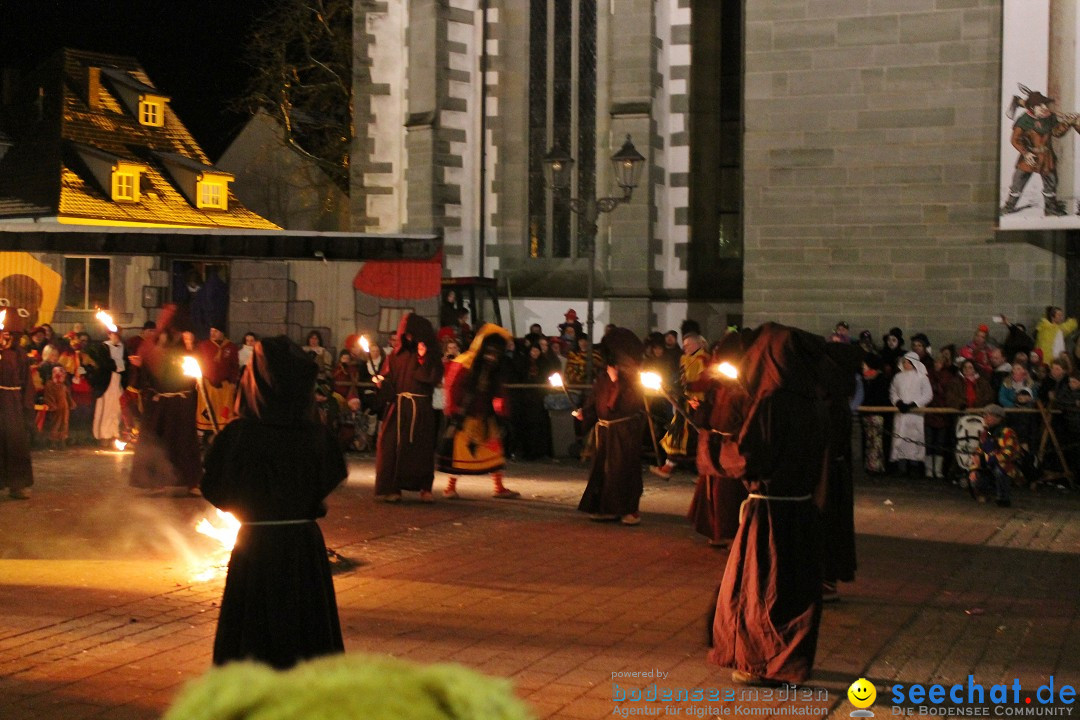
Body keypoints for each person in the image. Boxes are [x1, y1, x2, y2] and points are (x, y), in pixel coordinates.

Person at [201, 335, 348, 668]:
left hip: (256, 546)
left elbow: (216, 490)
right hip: (301, 548)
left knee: (253, 633)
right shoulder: (314, 435)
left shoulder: (239, 435)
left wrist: (222, 456)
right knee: (305, 632)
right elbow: (331, 475)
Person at [708, 323, 842, 685]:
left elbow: (749, 458)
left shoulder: (773, 402)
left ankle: (761, 663)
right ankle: (788, 661)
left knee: (762, 589)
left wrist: (711, 445)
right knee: (794, 590)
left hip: (771, 511)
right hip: (801, 509)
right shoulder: (813, 400)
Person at [573, 327, 646, 525]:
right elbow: (595, 398)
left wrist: (617, 382)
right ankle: (605, 508)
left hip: (624, 432)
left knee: (623, 470)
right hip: (605, 431)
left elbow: (631, 404)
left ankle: (628, 509)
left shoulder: (633, 378)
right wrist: (585, 414)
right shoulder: (602, 375)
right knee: (603, 470)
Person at [439, 324, 519, 499]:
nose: (492, 356)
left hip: (485, 417)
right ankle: (450, 487)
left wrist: (502, 412)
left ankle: (499, 486)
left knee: (495, 452)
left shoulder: (493, 368)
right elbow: (451, 389)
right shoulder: (463, 363)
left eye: (496, 352)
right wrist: (454, 412)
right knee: (458, 454)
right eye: (489, 352)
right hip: (465, 416)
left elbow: (499, 391)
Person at [128, 307, 203, 495]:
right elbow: (148, 368)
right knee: (156, 440)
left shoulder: (187, 344)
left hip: (181, 400)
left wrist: (190, 349)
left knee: (184, 441)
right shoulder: (156, 343)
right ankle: (155, 481)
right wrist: (141, 366)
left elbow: (194, 369)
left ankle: (191, 481)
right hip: (159, 401)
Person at [373, 313, 443, 502]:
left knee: (422, 449)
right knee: (393, 448)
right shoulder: (394, 356)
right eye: (407, 335)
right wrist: (381, 382)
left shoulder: (431, 355)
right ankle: (393, 488)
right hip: (399, 408)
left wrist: (423, 358)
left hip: (421, 409)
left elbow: (431, 377)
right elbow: (389, 382)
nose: (410, 338)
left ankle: (425, 488)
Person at [687, 338, 749, 547]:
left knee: (729, 494)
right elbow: (711, 410)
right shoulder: (717, 385)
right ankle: (717, 530)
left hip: (731, 446)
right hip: (714, 442)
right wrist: (700, 408)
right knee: (713, 492)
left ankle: (733, 533)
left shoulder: (744, 387)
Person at [1000, 90, 1071, 216]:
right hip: (1029, 157)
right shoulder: (1024, 120)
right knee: (1018, 181)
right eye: (1040, 105)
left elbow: (1057, 133)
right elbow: (1015, 140)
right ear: (1032, 107)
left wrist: (1066, 123)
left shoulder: (1050, 117)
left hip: (1046, 157)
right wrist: (1026, 153)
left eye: (1045, 104)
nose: (1044, 107)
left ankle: (1050, 209)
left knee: (1051, 182)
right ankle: (1009, 206)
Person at [651, 332, 707, 479]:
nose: (685, 347)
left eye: (688, 344)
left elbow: (705, 381)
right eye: (684, 344)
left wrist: (689, 387)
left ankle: (702, 472)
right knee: (677, 433)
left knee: (694, 437)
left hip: (697, 403)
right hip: (685, 401)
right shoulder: (684, 359)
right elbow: (681, 378)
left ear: (699, 344)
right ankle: (668, 466)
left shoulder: (703, 359)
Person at [889, 351, 933, 477]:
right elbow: (892, 392)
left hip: (915, 415)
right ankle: (901, 467)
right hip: (901, 414)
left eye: (908, 362)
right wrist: (898, 402)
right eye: (904, 362)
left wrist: (914, 404)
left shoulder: (922, 377)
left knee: (915, 439)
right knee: (899, 439)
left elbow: (928, 395)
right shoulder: (898, 377)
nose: (906, 364)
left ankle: (914, 467)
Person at [968, 404, 1022, 507]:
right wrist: (974, 468)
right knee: (974, 473)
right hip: (989, 465)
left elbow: (1008, 454)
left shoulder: (1008, 433)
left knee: (1000, 471)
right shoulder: (985, 433)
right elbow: (979, 451)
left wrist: (987, 459)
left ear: (999, 418)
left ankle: (1003, 497)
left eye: (989, 415)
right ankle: (983, 493)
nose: (985, 418)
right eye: (984, 415)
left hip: (1004, 466)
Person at [197, 324, 240, 435]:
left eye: (216, 331)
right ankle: (205, 433)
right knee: (207, 409)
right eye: (211, 331)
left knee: (224, 412)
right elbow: (199, 362)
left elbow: (235, 366)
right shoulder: (204, 345)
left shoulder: (231, 347)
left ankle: (223, 432)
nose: (212, 333)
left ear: (222, 333)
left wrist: (233, 382)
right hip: (207, 385)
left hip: (225, 386)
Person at [89, 329, 128, 445]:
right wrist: (118, 365)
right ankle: (103, 435)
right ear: (109, 335)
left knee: (116, 409)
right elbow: (104, 363)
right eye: (114, 334)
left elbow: (126, 363)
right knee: (105, 408)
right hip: (106, 382)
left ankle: (114, 434)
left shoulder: (123, 348)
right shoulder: (104, 347)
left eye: (118, 334)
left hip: (118, 382)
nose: (116, 337)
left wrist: (122, 366)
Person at [43, 365, 73, 450]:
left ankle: (62, 440)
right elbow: (48, 396)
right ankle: (53, 441)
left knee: (64, 423)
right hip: (56, 408)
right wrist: (52, 404)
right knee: (55, 423)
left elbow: (67, 396)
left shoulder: (64, 386)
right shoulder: (50, 384)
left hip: (64, 408)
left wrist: (71, 403)